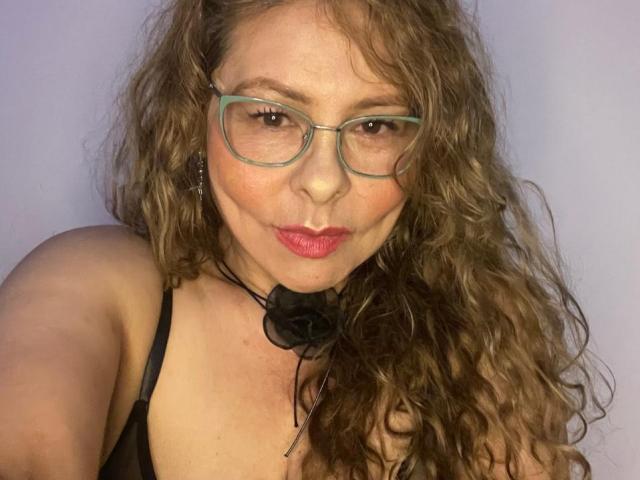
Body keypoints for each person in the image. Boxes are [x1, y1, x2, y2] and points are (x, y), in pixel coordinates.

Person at [0, 0, 612, 479]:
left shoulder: (478, 341)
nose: (323, 182)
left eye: (375, 125)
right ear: (195, 116)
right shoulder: (100, 285)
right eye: (272, 117)